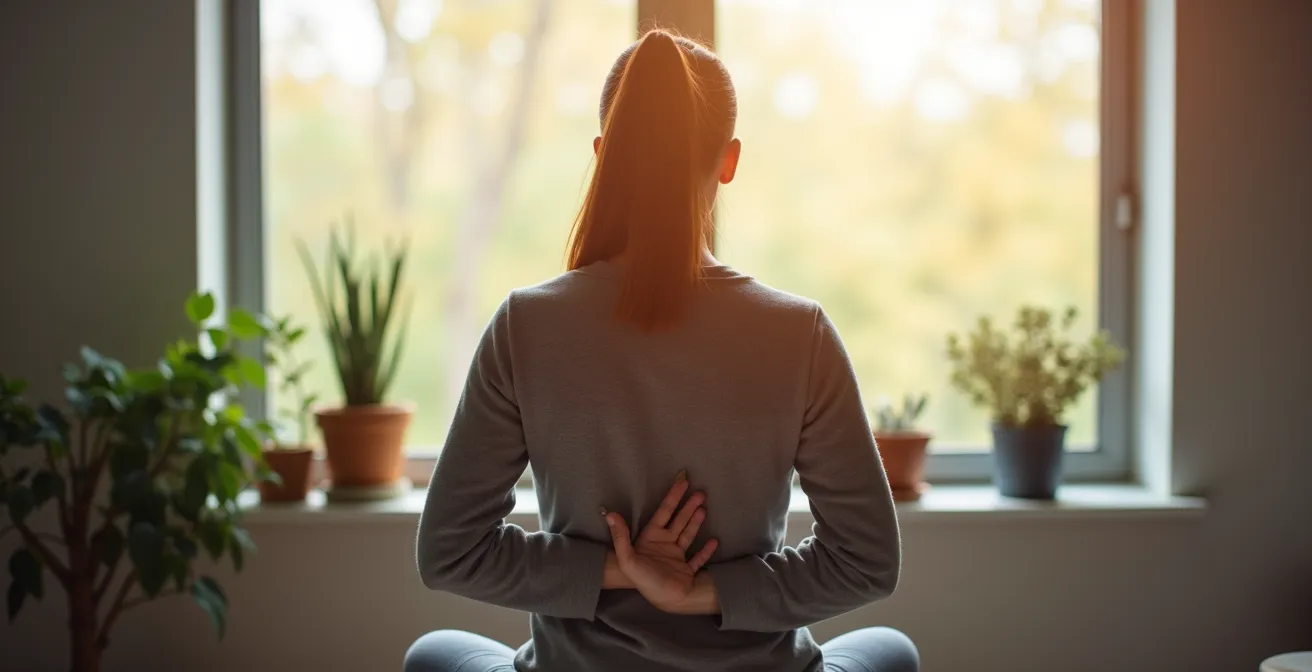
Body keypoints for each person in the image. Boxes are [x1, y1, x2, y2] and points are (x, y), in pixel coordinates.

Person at [407, 29, 916, 672]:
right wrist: (697, 591)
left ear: (602, 155)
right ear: (728, 161)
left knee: (433, 654)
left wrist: (618, 570)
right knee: (892, 650)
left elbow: (448, 553)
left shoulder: (525, 325)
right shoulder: (800, 333)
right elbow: (868, 563)